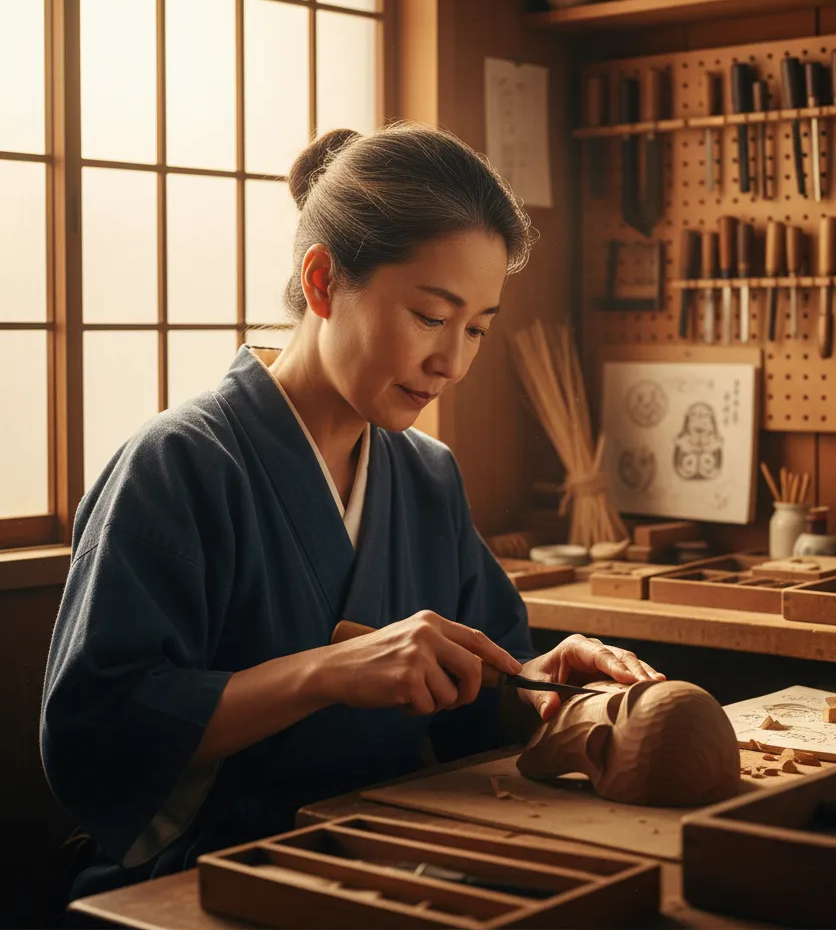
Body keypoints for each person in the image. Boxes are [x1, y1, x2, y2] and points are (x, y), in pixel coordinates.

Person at [40, 124, 664, 901]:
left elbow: (476, 712)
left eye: (477, 329)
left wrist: (535, 683)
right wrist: (326, 674)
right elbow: (95, 738)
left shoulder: (428, 477)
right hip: (203, 878)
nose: (454, 362)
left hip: (396, 853)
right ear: (324, 282)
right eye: (432, 317)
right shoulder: (178, 465)